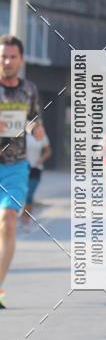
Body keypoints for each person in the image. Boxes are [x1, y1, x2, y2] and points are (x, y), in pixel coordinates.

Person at [0, 34, 45, 307]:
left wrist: (36, 129)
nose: (7, 61)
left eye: (12, 56)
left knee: (8, 220)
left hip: (15, 166)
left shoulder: (29, 90)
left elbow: (32, 121)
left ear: (21, 60)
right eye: (3, 56)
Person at [22, 128, 52, 231]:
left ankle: (26, 219)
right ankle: (22, 214)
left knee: (29, 195)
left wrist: (42, 159)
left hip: (36, 169)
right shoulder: (24, 134)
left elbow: (48, 151)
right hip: (23, 168)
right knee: (23, 194)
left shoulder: (41, 134)